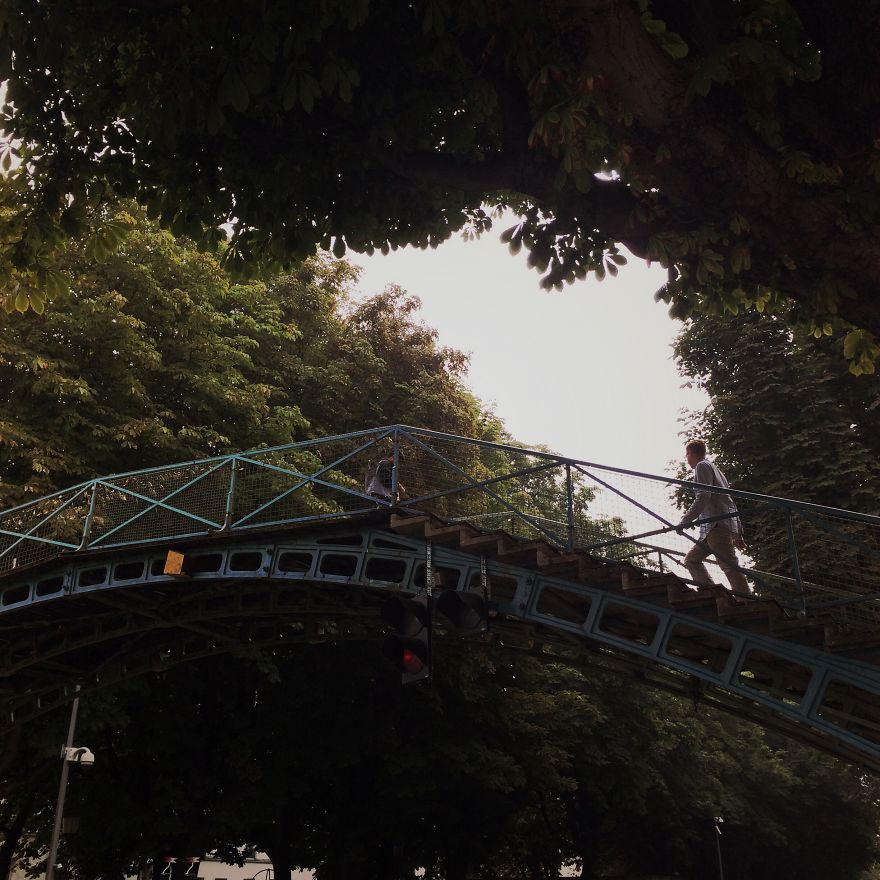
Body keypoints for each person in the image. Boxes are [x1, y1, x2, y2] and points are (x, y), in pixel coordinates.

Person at [678, 439, 750, 594]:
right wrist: (737, 533)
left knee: (729, 566)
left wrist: (684, 521)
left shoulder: (702, 466)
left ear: (692, 453)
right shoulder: (716, 470)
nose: (687, 459)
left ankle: (746, 600)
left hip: (716, 526)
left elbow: (703, 496)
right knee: (691, 560)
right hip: (712, 528)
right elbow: (729, 501)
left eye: (687, 455)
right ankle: (712, 593)